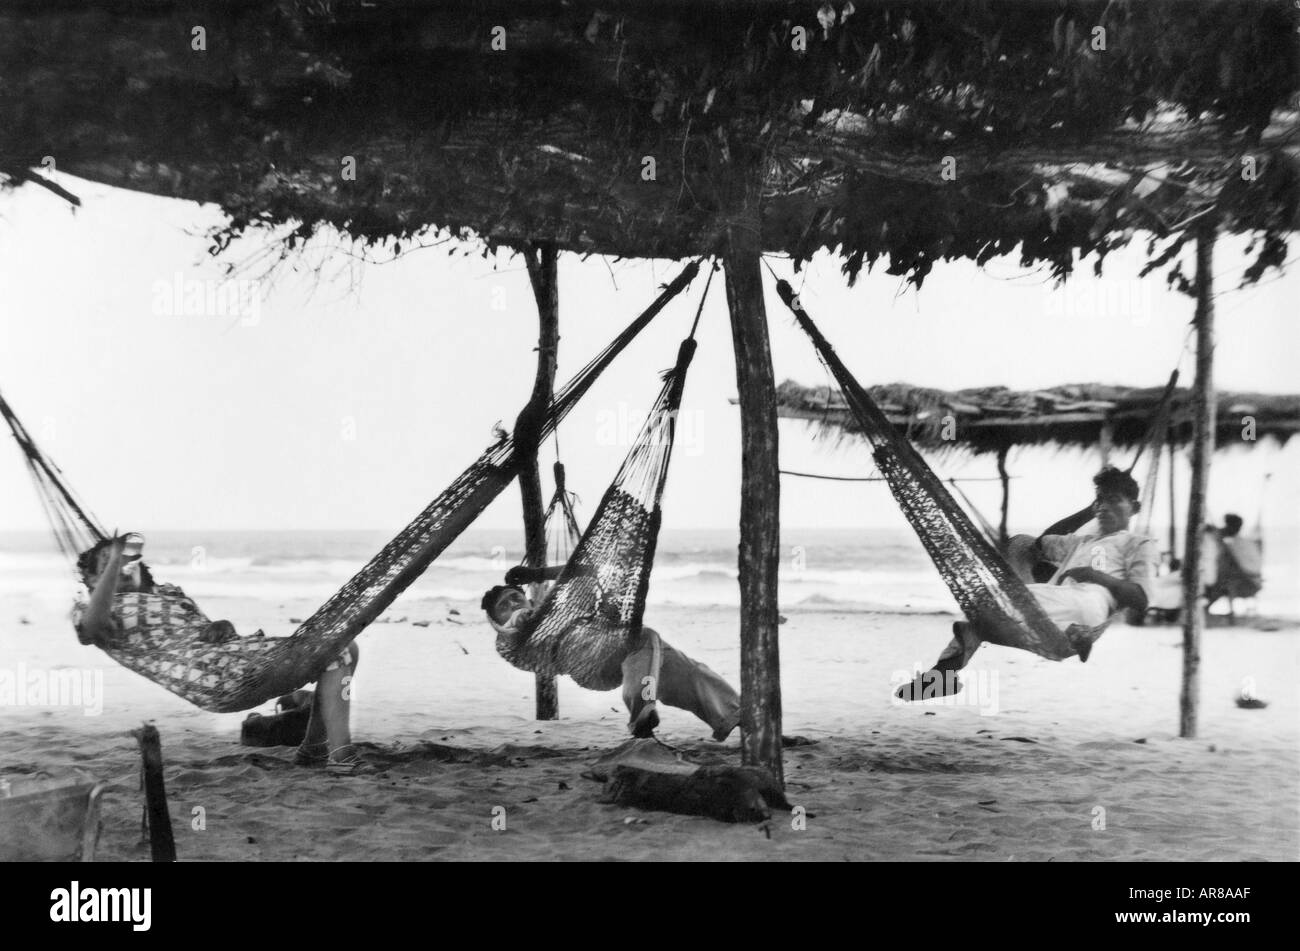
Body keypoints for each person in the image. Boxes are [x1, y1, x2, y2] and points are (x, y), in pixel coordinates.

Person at [73, 534, 368, 774]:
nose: (120, 568)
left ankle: (314, 749)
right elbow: (93, 627)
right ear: (91, 582)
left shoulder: (168, 593)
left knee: (345, 648)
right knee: (336, 652)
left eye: (126, 562)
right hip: (215, 679)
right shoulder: (94, 609)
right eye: (107, 567)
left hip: (235, 657)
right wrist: (113, 560)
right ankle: (341, 756)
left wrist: (221, 625)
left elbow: (202, 629)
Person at [899, 466, 1158, 699]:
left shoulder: (1139, 544)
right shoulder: (1081, 543)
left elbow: (1141, 598)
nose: (1104, 507)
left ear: (1134, 507)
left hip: (1092, 603)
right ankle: (943, 675)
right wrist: (1086, 511)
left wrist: (1096, 576)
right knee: (979, 613)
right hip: (1060, 606)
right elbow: (1041, 544)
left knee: (990, 602)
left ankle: (1078, 632)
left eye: (1114, 500)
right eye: (1100, 501)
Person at [481, 572, 740, 741]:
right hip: (588, 665)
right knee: (644, 636)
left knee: (686, 668)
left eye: (515, 598)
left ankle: (740, 719)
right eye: (504, 607)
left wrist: (540, 574)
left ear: (527, 598)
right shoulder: (510, 641)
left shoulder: (551, 610)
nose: (513, 606)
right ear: (496, 620)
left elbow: (583, 569)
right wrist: (521, 617)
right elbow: (512, 632)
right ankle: (641, 714)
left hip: (616, 647)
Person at [1206, 513, 1263, 617]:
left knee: (1222, 581)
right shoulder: (1244, 542)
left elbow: (1220, 536)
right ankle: (1206, 607)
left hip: (1248, 583)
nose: (1224, 528)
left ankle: (1207, 608)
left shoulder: (1235, 544)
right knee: (1223, 577)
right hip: (1253, 581)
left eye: (1226, 526)